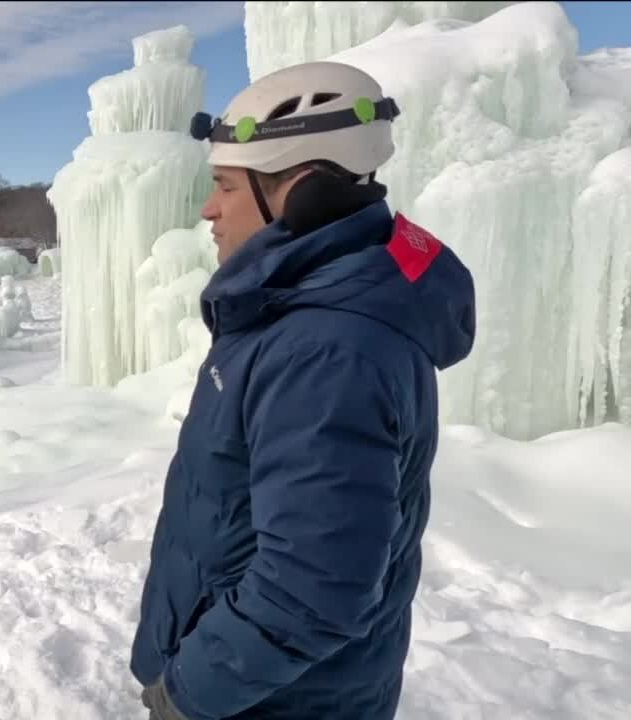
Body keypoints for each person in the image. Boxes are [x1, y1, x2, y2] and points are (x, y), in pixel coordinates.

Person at [130, 61, 477, 719]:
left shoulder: (326, 350)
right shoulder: (306, 312)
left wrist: (188, 692)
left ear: (301, 192)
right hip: (274, 687)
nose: (208, 209)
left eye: (225, 186)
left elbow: (314, 588)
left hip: (266, 701)